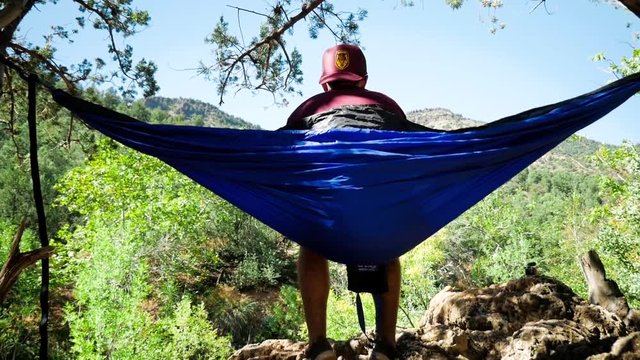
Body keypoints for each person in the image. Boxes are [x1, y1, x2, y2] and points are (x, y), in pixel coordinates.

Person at [283, 44, 421, 360]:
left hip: (327, 215)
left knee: (311, 244)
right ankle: (386, 345)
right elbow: (407, 158)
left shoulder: (307, 110)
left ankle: (318, 344)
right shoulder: (387, 105)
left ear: (324, 83)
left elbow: (287, 161)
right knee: (389, 248)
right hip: (380, 213)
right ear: (364, 80)